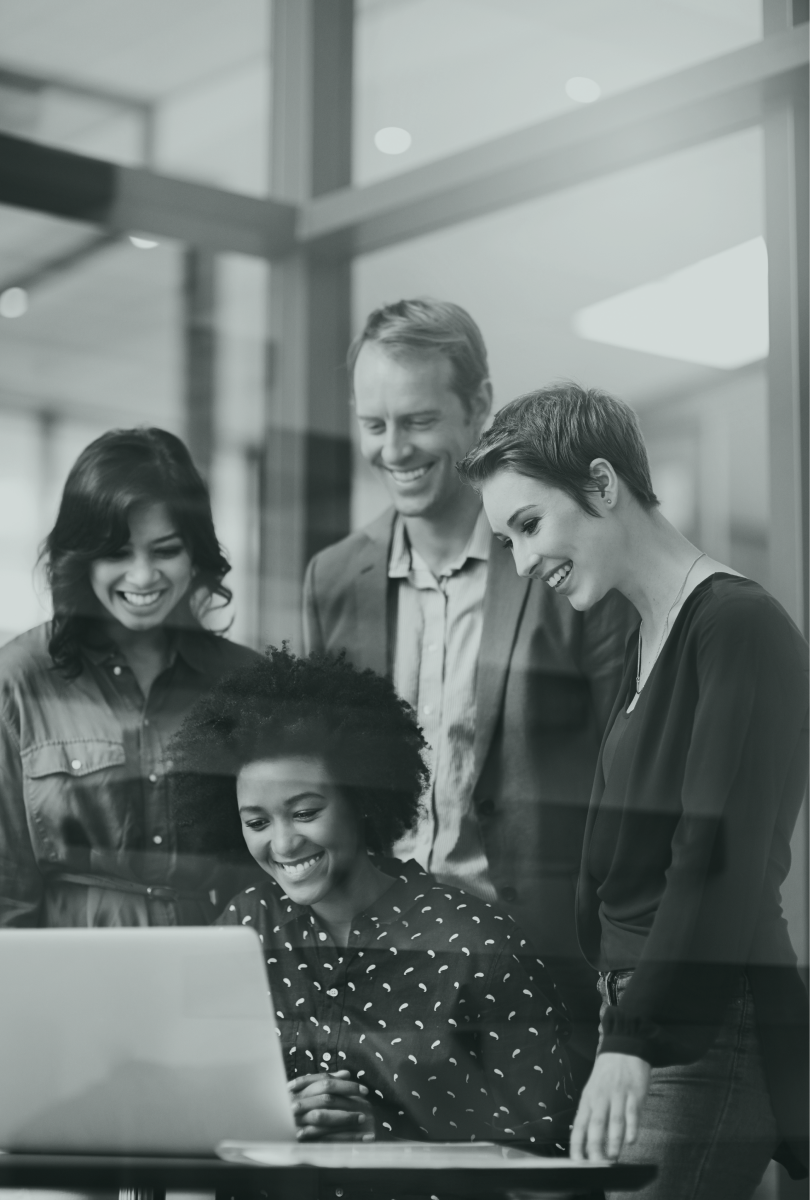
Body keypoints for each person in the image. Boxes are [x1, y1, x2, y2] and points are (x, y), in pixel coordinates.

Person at [458, 381, 810, 1200]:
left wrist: (634, 1040)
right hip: (645, 1018)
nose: (521, 561)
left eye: (529, 524)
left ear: (604, 484)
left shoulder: (737, 628)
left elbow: (716, 860)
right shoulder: (642, 637)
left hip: (701, 1028)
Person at [303, 298, 635, 1083]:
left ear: (479, 406)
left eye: (417, 421)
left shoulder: (568, 563)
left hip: (544, 979)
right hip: (385, 979)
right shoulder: (334, 579)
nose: (394, 450)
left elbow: (634, 789)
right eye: (374, 424)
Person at [169, 646, 575, 1148]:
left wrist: (389, 1138)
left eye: (305, 812)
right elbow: (186, 1094)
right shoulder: (244, 928)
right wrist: (266, 1116)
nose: (282, 843)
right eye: (257, 822)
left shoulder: (477, 946)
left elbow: (551, 1148)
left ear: (360, 799)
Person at [0, 427, 259, 927]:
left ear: (195, 554)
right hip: (75, 981)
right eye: (117, 553)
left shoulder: (244, 679)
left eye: (164, 551)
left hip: (214, 971)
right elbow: (6, 892)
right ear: (80, 558)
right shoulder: (17, 681)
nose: (142, 577)